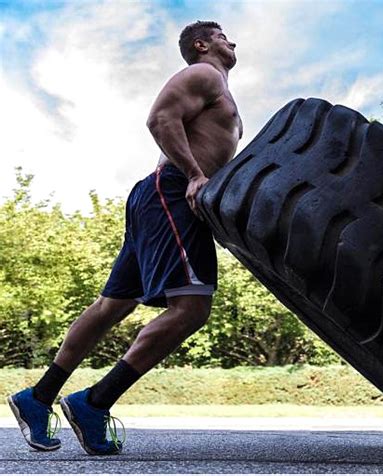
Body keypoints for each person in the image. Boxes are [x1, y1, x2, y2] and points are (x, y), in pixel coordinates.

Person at [8, 20, 242, 456]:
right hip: (170, 190)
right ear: (201, 44)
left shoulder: (219, 89)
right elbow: (159, 119)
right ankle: (94, 402)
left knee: (113, 305)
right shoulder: (205, 75)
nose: (232, 41)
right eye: (223, 35)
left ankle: (38, 397)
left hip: (158, 195)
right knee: (191, 309)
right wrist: (194, 175)